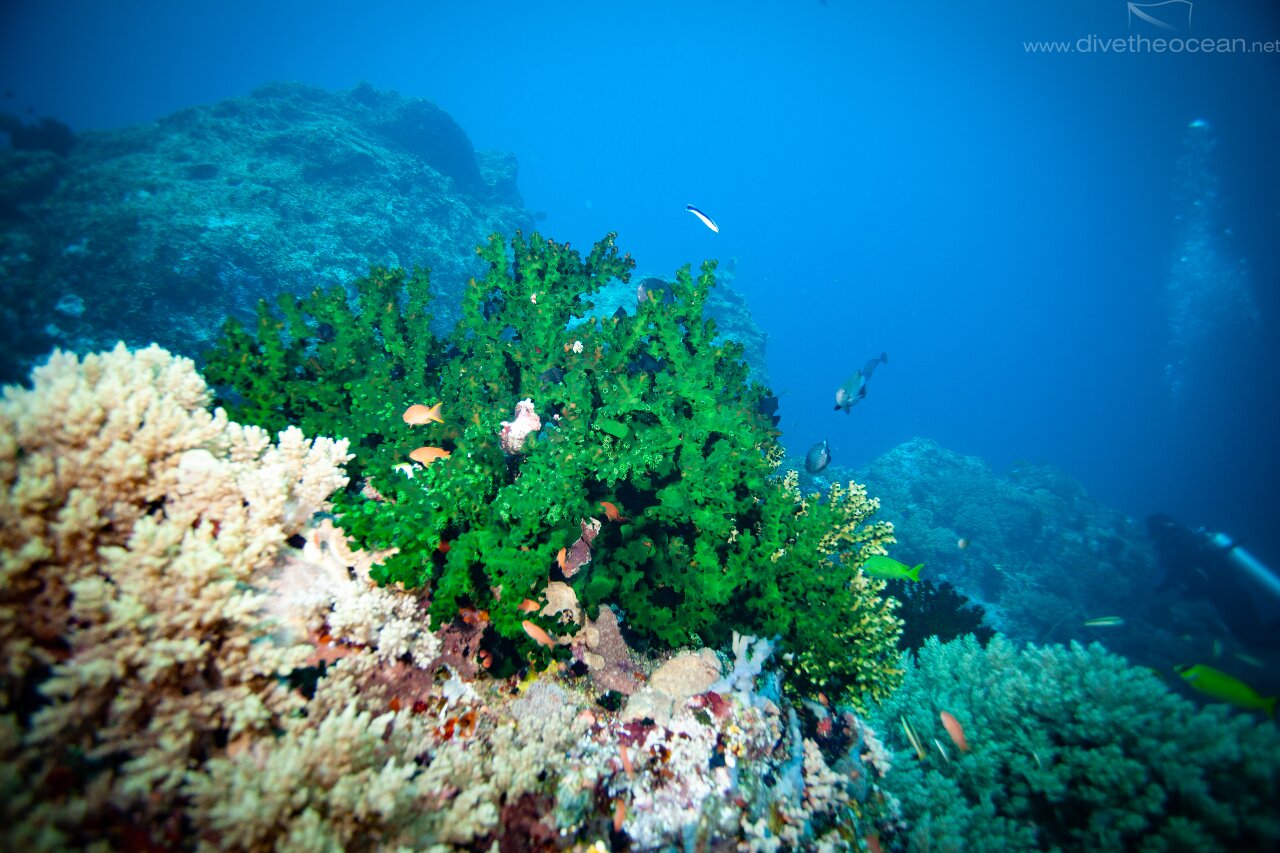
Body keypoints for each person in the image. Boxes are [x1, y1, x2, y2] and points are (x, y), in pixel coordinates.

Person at [1148, 514, 1280, 647]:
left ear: (1157, 529)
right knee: (1256, 632)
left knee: (1251, 638)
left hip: (1224, 594)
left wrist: (1161, 588)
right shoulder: (1186, 538)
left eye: (1152, 531)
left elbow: (1178, 573)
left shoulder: (1174, 546)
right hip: (1230, 589)